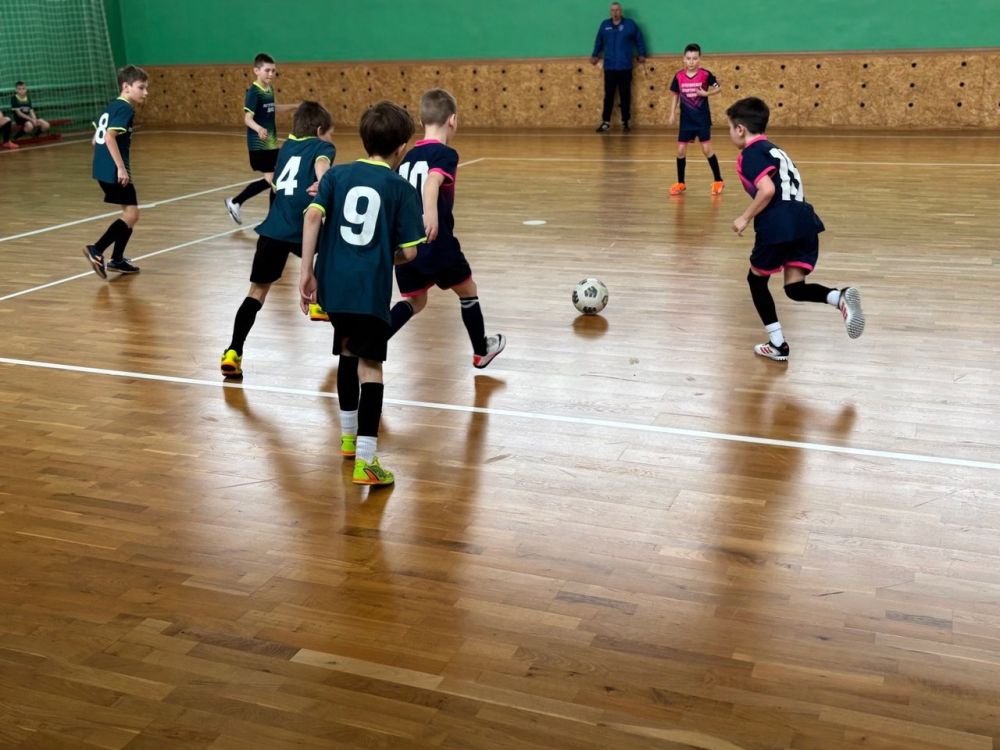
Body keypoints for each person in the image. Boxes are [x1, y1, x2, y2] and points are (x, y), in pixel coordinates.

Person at [299, 101, 426, 486]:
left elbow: (311, 216)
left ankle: (348, 439)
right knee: (372, 369)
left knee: (347, 352)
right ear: (402, 147)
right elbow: (410, 252)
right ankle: (367, 462)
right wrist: (389, 253)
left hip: (333, 287)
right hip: (368, 290)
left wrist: (306, 272)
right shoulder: (400, 189)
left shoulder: (337, 175)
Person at [727, 97, 865, 361]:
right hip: (804, 220)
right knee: (794, 287)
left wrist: (744, 217)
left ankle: (777, 344)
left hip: (778, 223)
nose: (730, 133)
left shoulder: (749, 154)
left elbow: (767, 190)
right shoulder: (777, 150)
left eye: (730, 128)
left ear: (741, 129)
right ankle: (840, 298)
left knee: (756, 280)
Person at [388, 88, 505, 369]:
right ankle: (481, 351)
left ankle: (375, 340)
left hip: (406, 246)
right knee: (467, 290)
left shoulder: (404, 158)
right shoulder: (445, 154)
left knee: (415, 301)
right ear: (452, 120)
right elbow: (431, 183)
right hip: (436, 243)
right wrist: (431, 216)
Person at [220, 101, 336, 378]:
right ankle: (321, 303)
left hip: (273, 229)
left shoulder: (287, 148)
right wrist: (325, 182)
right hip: (302, 229)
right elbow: (322, 166)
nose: (332, 139)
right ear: (320, 130)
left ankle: (233, 352)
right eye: (330, 132)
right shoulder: (323, 148)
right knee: (334, 248)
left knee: (257, 293)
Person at [82, 65, 149, 279]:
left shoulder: (110, 106)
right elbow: (109, 137)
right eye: (141, 87)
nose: (145, 92)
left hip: (102, 169)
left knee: (128, 215)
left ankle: (118, 259)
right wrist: (120, 167)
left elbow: (96, 139)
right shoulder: (125, 108)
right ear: (126, 87)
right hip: (114, 170)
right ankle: (97, 249)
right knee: (132, 214)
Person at [224, 53, 298, 224]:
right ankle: (237, 203)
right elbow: (247, 118)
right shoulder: (254, 92)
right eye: (267, 70)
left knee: (276, 180)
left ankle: (242, 204)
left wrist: (294, 106)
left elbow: (274, 107)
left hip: (270, 142)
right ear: (256, 70)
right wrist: (258, 129)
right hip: (259, 144)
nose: (271, 74)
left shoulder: (269, 89)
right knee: (273, 181)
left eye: (273, 71)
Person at [668, 44, 724, 196]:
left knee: (706, 150)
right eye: (688, 58)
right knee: (680, 151)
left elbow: (719, 88)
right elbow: (675, 95)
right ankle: (681, 183)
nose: (691, 61)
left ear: (699, 59)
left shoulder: (705, 74)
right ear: (683, 59)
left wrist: (707, 94)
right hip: (686, 120)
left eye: (694, 58)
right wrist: (672, 113)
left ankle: (718, 180)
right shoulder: (679, 76)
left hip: (702, 119)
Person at [590, 2, 646, 133]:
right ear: (610, 12)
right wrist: (595, 55)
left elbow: (639, 39)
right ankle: (605, 122)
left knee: (625, 95)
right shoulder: (605, 25)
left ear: (621, 11)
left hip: (625, 66)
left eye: (617, 10)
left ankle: (625, 122)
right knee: (608, 95)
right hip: (609, 67)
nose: (615, 12)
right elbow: (598, 41)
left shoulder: (630, 25)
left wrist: (642, 54)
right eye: (613, 10)